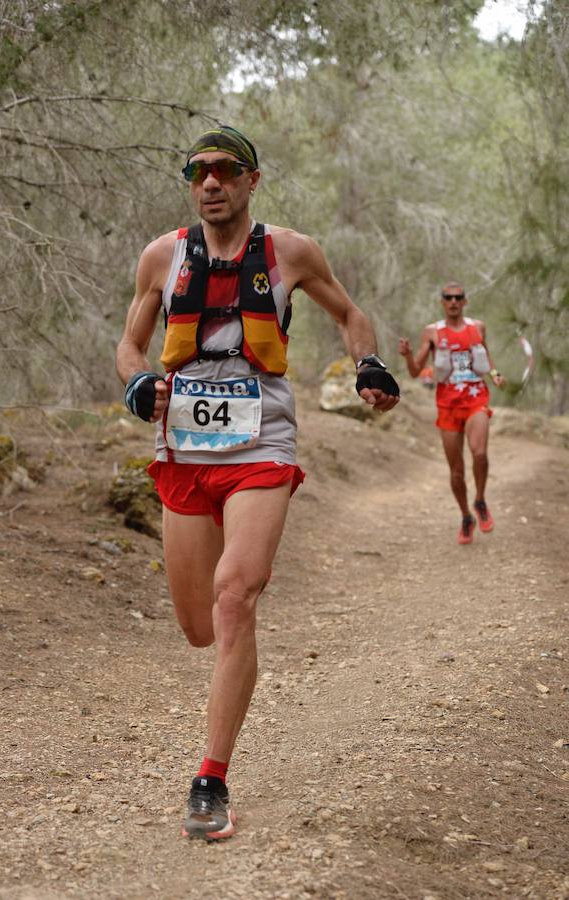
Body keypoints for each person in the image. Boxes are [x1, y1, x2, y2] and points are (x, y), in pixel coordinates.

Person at [116, 124, 400, 841]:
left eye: (226, 170)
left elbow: (350, 314)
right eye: (199, 171)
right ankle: (227, 680)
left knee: (235, 595)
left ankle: (210, 779)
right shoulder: (161, 257)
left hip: (262, 438)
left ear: (251, 180)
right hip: (183, 444)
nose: (211, 182)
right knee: (197, 627)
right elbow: (128, 346)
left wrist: (366, 365)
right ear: (190, 182)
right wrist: (139, 381)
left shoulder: (291, 252)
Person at [398, 282, 505, 545]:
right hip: (447, 405)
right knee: (456, 472)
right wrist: (409, 356)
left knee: (479, 452)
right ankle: (466, 516)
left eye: (458, 297)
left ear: (465, 301)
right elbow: (415, 372)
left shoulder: (477, 327)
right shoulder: (433, 332)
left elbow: (485, 356)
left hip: (475, 398)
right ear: (442, 302)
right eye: (449, 298)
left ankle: (480, 500)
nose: (454, 302)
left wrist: (494, 374)